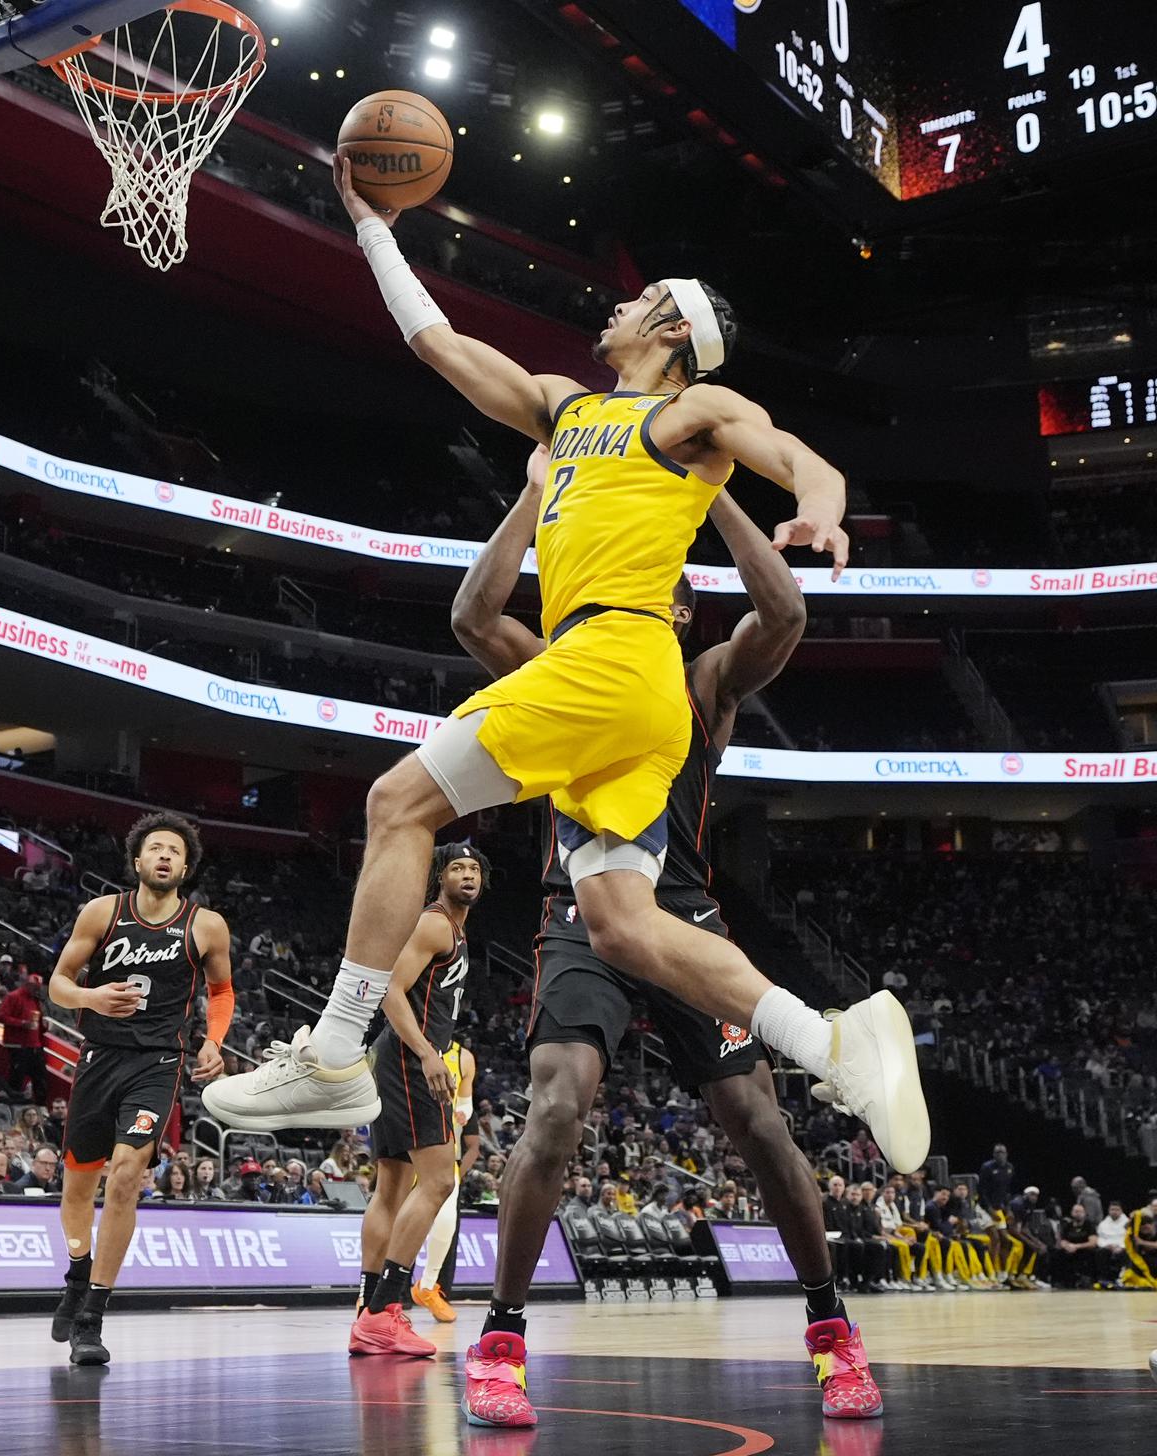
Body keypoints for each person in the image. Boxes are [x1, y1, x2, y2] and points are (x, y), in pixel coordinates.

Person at [204, 161, 929, 1197]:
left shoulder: (687, 413)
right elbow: (440, 346)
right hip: (635, 704)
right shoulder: (564, 410)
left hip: (613, 654)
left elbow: (794, 450)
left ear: (674, 331)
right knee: (625, 923)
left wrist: (818, 505)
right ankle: (834, 1045)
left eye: (642, 298)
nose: (619, 303)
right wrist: (371, 228)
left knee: (396, 799)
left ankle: (332, 1051)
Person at [450, 453, 882, 1424]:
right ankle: (501, 1342)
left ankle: (832, 1330)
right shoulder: (557, 676)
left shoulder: (699, 685)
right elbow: (473, 618)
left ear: (676, 613)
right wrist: (531, 491)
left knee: (760, 1121)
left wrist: (713, 484)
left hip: (681, 917)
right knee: (555, 1108)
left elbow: (786, 619)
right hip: (582, 918)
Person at [45, 812, 234, 1366]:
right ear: (137, 860)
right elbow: (58, 983)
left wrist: (215, 1041)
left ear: (186, 866)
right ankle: (78, 1272)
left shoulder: (207, 926)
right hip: (100, 1057)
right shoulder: (102, 912)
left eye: (175, 851)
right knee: (78, 1186)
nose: (165, 856)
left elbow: (222, 993)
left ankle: (92, 1317)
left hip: (158, 1061)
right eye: (155, 848)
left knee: (126, 1174)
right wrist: (91, 998)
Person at [348, 844, 488, 1359]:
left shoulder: (456, 929)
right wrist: (429, 1054)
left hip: (397, 1056)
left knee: (390, 1186)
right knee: (437, 1181)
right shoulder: (435, 925)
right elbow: (390, 990)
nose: (467, 875)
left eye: (474, 869)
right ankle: (385, 1311)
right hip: (410, 1057)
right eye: (457, 868)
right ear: (440, 878)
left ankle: (366, 1314)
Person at [411, 1039, 480, 1323]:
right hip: (408, 1143)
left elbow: (466, 1103)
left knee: (446, 1220)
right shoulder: (407, 1044)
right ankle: (374, 1292)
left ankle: (427, 1286)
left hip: (444, 1148)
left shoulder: (464, 1057)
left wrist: (464, 1111)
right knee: (393, 1216)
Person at [0, 974, 48, 1101]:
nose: (37, 990)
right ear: (27, 985)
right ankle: (15, 1104)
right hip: (18, 1045)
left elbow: (38, 1025)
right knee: (17, 1077)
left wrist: (45, 1026)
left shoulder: (35, 1001)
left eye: (38, 988)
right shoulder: (13, 997)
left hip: (34, 1045)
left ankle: (40, 1105)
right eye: (35, 987)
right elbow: (2, 1016)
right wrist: (22, 1023)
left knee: (41, 1078)